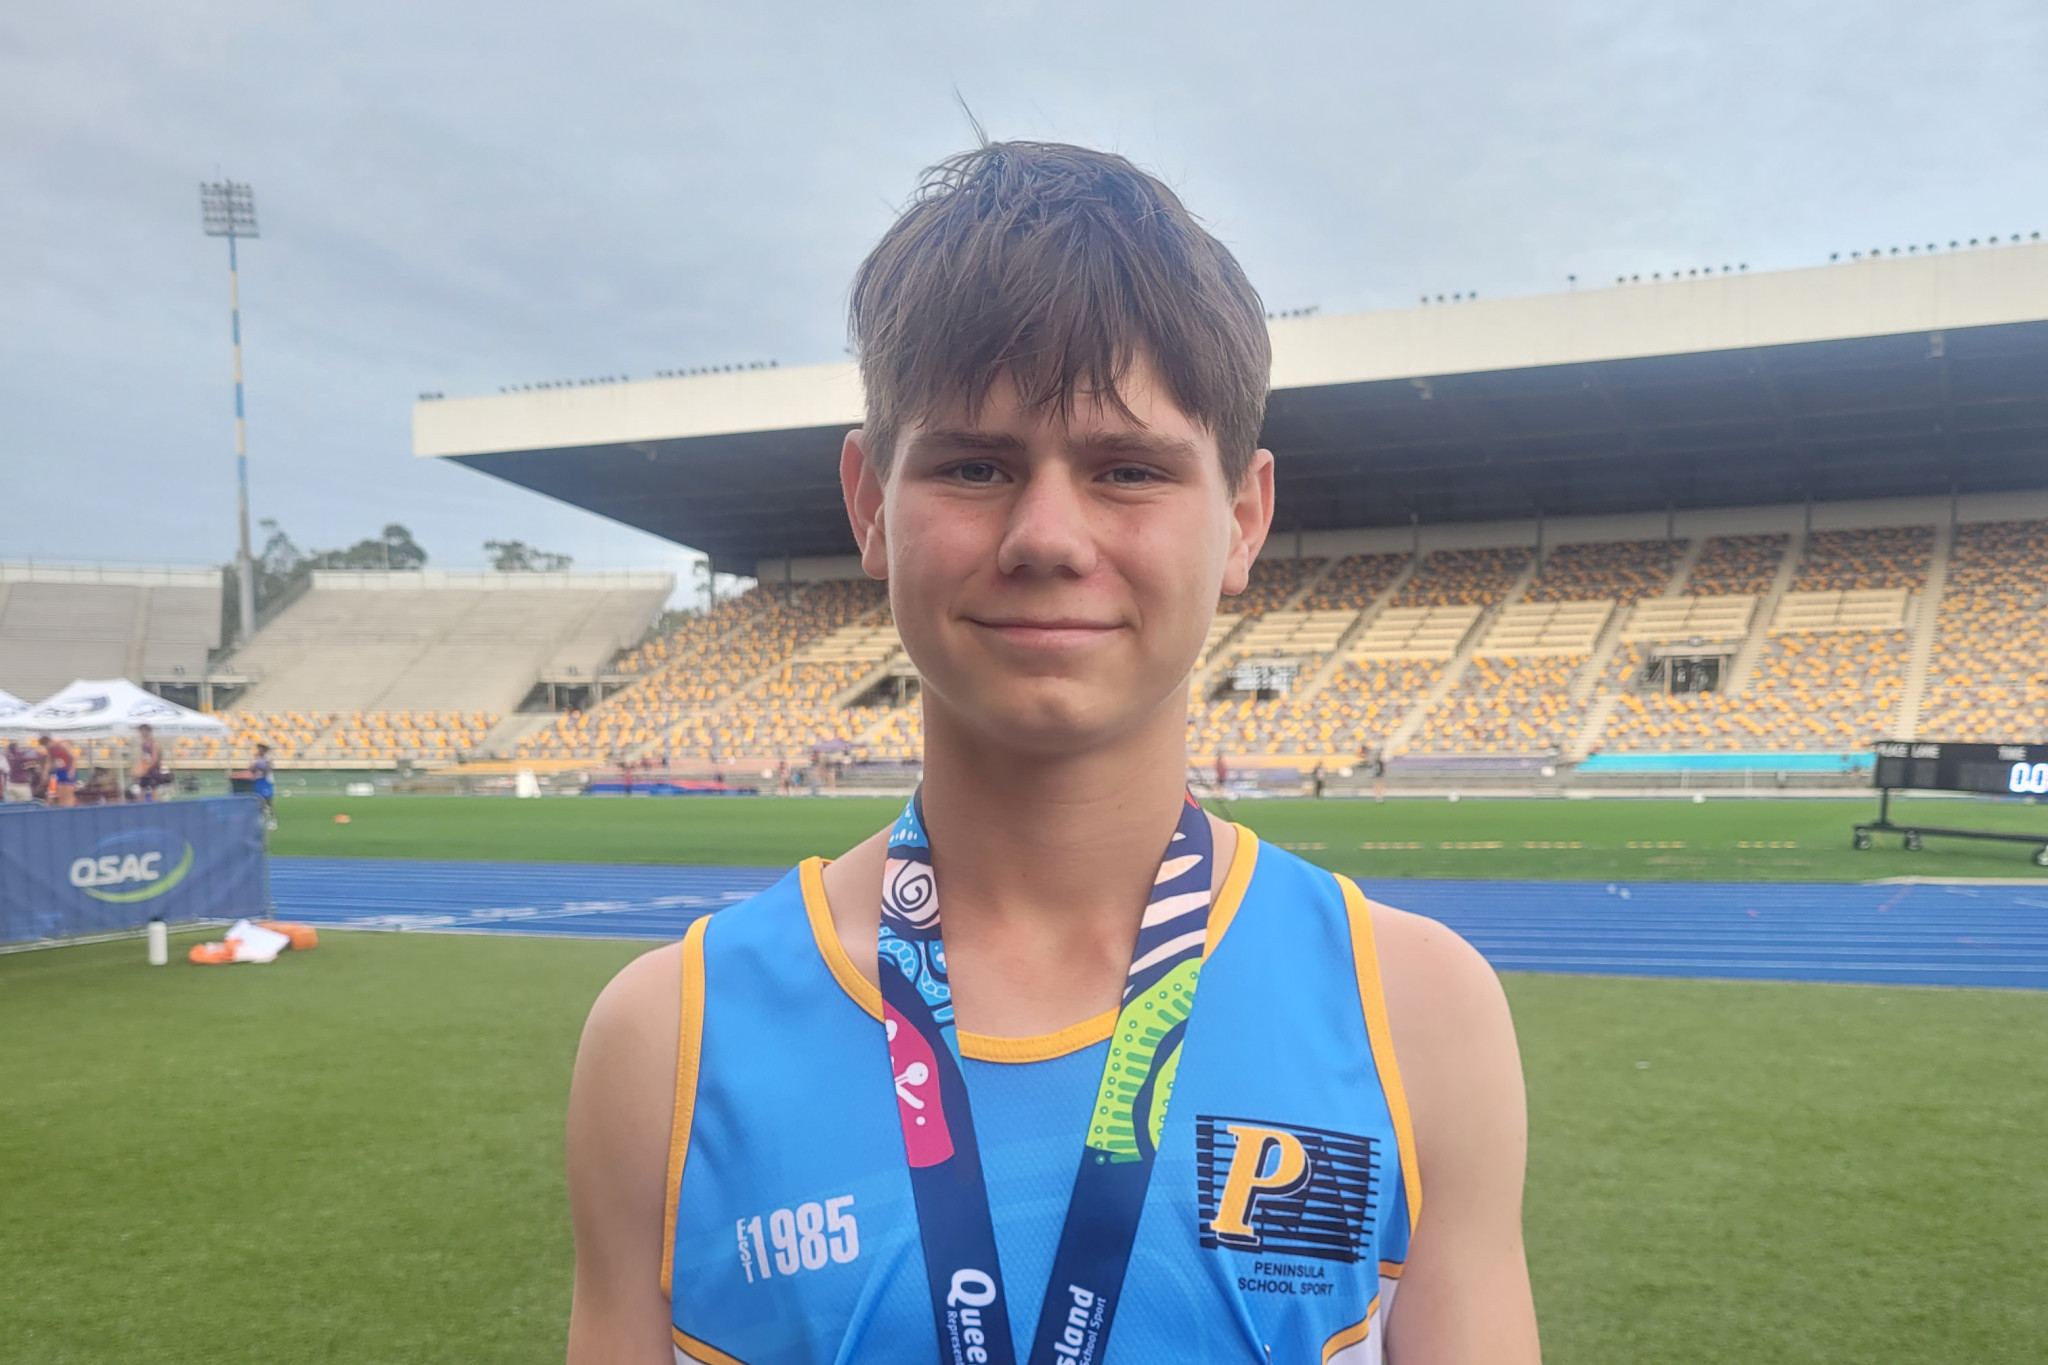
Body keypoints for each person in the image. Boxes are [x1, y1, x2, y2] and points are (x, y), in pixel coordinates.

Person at [566, 142, 1537, 1365]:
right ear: (869, 503)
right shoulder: (667, 1040)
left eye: (1127, 470)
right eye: (974, 466)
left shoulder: (1414, 1012)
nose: (1046, 536)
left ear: (1242, 518)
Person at [37, 733, 77, 808]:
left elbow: (73, 757)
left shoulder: (62, 745)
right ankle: (58, 809)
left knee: (67, 794)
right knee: (55, 794)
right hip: (58, 771)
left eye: (46, 745)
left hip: (67, 770)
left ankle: (69, 809)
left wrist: (72, 770)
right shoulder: (50, 748)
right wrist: (45, 772)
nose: (47, 747)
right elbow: (49, 761)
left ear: (50, 741)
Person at [132, 724, 168, 801]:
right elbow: (142, 758)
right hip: (145, 772)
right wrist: (137, 769)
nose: (141, 733)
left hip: (153, 772)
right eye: (140, 731)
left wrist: (144, 770)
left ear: (147, 731)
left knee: (154, 791)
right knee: (141, 791)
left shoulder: (154, 744)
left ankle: (155, 806)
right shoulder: (143, 744)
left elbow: (154, 760)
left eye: (143, 731)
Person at [250, 742, 275, 829]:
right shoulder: (256, 758)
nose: (259, 750)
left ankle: (272, 819)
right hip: (257, 780)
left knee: (268, 800)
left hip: (266, 781)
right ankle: (262, 818)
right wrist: (255, 766)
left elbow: (267, 770)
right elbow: (251, 769)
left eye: (260, 749)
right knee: (258, 800)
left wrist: (259, 766)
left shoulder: (267, 758)